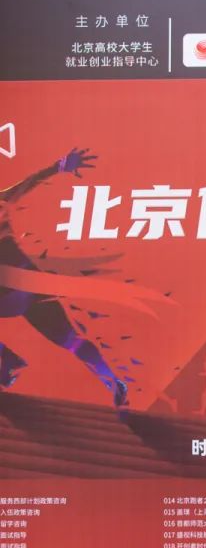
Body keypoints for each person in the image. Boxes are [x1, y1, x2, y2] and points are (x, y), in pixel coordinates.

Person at [0, 147, 128, 406]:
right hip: (32, 286)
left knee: (69, 339)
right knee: (71, 340)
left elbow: (27, 183)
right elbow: (29, 182)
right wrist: (59, 166)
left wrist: (58, 167)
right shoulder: (2, 199)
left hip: (8, 291)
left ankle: (9, 363)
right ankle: (113, 379)